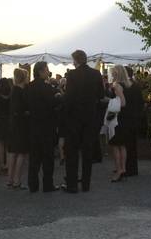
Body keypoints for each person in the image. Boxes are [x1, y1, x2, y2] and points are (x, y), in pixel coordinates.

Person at [62, 49, 104, 193]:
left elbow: (69, 97)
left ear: (76, 60)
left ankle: (72, 184)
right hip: (90, 118)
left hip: (74, 119)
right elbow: (101, 95)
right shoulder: (96, 74)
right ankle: (86, 184)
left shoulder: (72, 75)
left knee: (72, 152)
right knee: (87, 152)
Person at [25, 61, 58, 193]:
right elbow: (53, 103)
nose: (48, 72)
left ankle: (33, 185)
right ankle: (48, 185)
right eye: (46, 70)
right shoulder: (46, 88)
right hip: (47, 126)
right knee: (47, 158)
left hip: (33, 126)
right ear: (40, 71)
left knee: (34, 158)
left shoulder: (29, 87)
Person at [106, 65, 130, 182]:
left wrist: (110, 101)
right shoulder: (128, 84)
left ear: (116, 73)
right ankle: (123, 168)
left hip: (117, 118)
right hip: (124, 118)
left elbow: (123, 102)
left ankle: (119, 169)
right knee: (122, 145)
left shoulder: (117, 85)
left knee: (115, 145)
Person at [6, 67, 29, 189]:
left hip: (13, 124)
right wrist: (26, 112)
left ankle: (10, 178)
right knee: (21, 152)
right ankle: (16, 179)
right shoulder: (20, 91)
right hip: (21, 125)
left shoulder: (14, 90)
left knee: (12, 152)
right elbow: (19, 110)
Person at [123, 67, 144, 177]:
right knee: (131, 144)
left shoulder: (127, 86)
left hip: (128, 118)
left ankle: (128, 168)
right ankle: (131, 168)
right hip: (134, 118)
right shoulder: (135, 85)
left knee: (127, 144)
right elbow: (141, 103)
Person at [0, 77, 12, 176]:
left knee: (0, 143)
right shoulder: (11, 95)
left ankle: (1, 164)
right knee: (8, 143)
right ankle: (8, 164)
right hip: (8, 120)